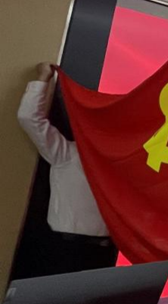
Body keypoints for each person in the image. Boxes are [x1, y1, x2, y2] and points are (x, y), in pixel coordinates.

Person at [15, 62, 117, 278]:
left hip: (105, 253)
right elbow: (29, 118)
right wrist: (42, 79)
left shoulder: (123, 163)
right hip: (62, 250)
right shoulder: (67, 153)